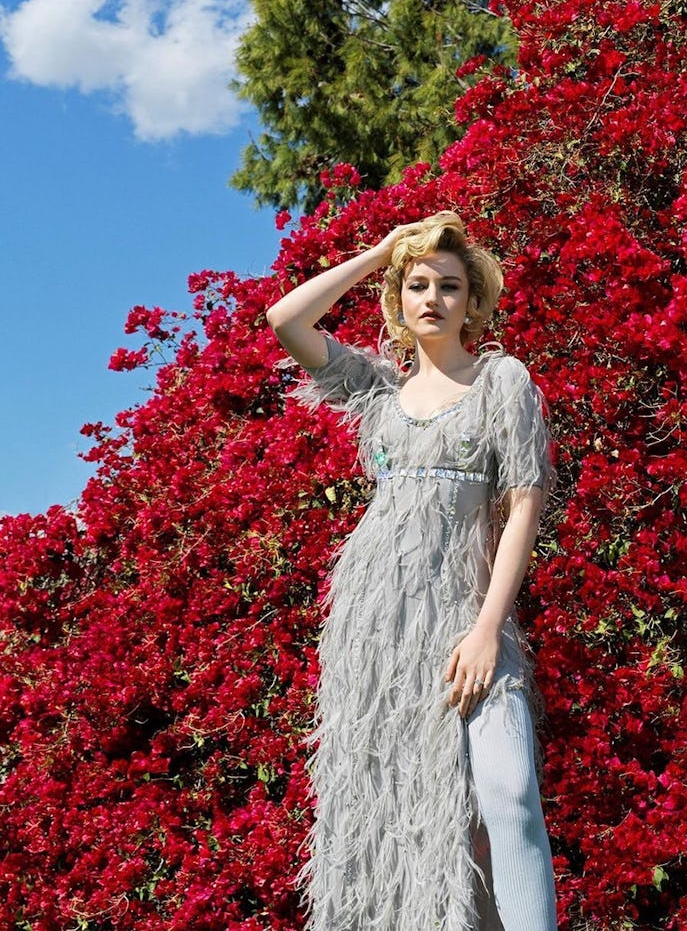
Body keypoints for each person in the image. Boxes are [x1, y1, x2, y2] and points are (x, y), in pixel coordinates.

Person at [265, 210, 558, 931]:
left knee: (509, 793)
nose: (433, 298)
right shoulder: (375, 391)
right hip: (376, 628)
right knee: (397, 811)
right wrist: (380, 252)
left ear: (473, 301)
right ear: (398, 299)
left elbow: (524, 505)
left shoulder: (501, 382)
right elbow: (285, 320)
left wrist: (487, 629)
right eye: (418, 285)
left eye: (449, 285)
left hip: (467, 623)